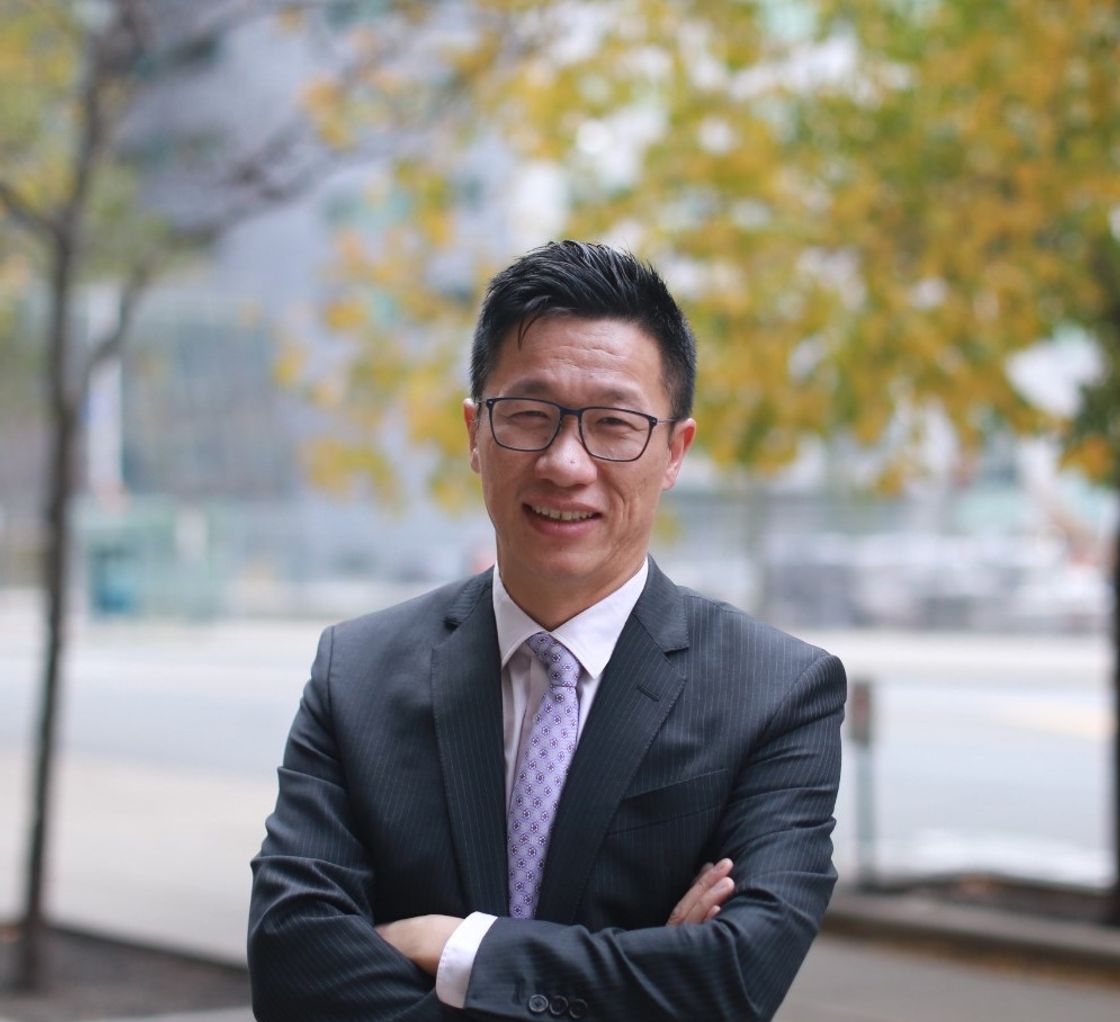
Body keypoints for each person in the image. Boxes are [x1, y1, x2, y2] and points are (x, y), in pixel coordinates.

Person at [248, 240, 846, 1021]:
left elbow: (730, 980)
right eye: (529, 416)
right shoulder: (354, 673)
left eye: (613, 424)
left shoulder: (776, 692)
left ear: (674, 451)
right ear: (473, 433)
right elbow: (294, 969)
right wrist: (640, 978)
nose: (567, 463)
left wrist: (459, 948)